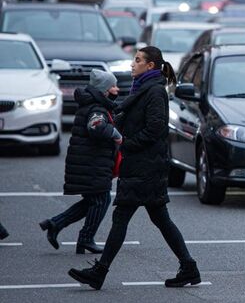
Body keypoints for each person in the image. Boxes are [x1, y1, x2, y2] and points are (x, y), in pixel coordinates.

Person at [68, 47, 200, 290]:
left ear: (150, 66)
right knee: (161, 219)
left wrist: (125, 143)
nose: (132, 64)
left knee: (122, 218)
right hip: (143, 166)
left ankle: (100, 271)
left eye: (138, 60)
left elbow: (156, 129)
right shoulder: (142, 89)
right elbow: (133, 118)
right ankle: (188, 267)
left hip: (145, 167)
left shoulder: (155, 92)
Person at [39, 70, 121, 254]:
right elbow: (96, 127)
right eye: (113, 86)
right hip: (91, 164)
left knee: (93, 200)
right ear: (105, 90)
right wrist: (116, 135)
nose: (117, 89)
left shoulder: (93, 104)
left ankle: (55, 224)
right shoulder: (97, 108)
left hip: (89, 162)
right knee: (101, 200)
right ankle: (85, 238)